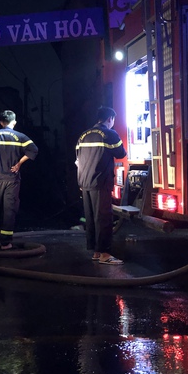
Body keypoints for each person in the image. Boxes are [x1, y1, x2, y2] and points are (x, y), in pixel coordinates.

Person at [0, 110, 39, 250]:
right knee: (9, 210)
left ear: (1, 122)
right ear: (14, 122)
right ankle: (5, 243)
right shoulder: (20, 137)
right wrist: (19, 163)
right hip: (12, 179)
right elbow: (33, 149)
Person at [76, 106, 127, 265]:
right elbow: (121, 153)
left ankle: (96, 251)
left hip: (85, 181)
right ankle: (105, 254)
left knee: (91, 217)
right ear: (110, 118)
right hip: (100, 181)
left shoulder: (83, 135)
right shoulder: (109, 134)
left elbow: (77, 159)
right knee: (104, 218)